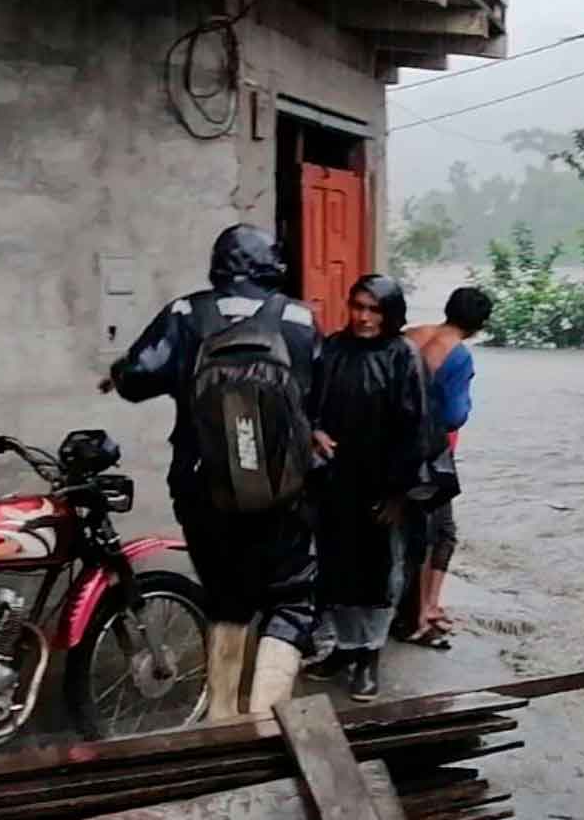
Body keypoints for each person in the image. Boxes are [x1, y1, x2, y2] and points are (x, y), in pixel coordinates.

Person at [103, 224, 319, 721]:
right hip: (282, 489)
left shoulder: (186, 312)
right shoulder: (299, 319)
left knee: (226, 597)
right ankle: (267, 724)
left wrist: (115, 372)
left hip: (204, 486)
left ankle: (223, 719)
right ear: (272, 265)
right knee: (291, 598)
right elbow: (320, 400)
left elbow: (136, 377)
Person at [307, 275, 431, 702]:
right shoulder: (334, 349)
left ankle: (369, 657)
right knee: (336, 568)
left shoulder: (403, 357)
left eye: (373, 309)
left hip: (382, 485)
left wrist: (399, 495)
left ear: (390, 314)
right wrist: (314, 431)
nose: (363, 317)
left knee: (379, 573)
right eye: (358, 306)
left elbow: (416, 429)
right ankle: (342, 650)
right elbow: (308, 401)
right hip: (335, 481)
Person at [393, 286, 493, 648]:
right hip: (429, 454)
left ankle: (418, 608)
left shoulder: (409, 337)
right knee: (440, 532)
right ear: (479, 325)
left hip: (387, 446)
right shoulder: (459, 357)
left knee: (404, 531)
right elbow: (454, 414)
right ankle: (422, 614)